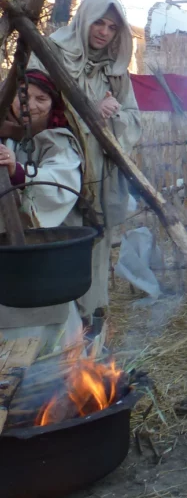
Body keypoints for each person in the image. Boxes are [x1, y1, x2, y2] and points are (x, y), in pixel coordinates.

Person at [30, 0, 142, 325]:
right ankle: (61, 331)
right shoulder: (51, 54)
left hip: (101, 173)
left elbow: (135, 119)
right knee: (61, 244)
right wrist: (88, 113)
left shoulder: (115, 70)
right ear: (84, 19)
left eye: (111, 27)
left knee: (95, 244)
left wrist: (114, 117)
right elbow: (32, 108)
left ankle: (92, 326)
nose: (104, 32)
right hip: (59, 170)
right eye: (98, 22)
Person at [0, 70, 86, 350]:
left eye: (42, 98)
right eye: (23, 95)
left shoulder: (58, 139)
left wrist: (18, 170)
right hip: (5, 250)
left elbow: (61, 180)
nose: (32, 105)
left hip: (46, 252)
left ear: (54, 104)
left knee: (50, 316)